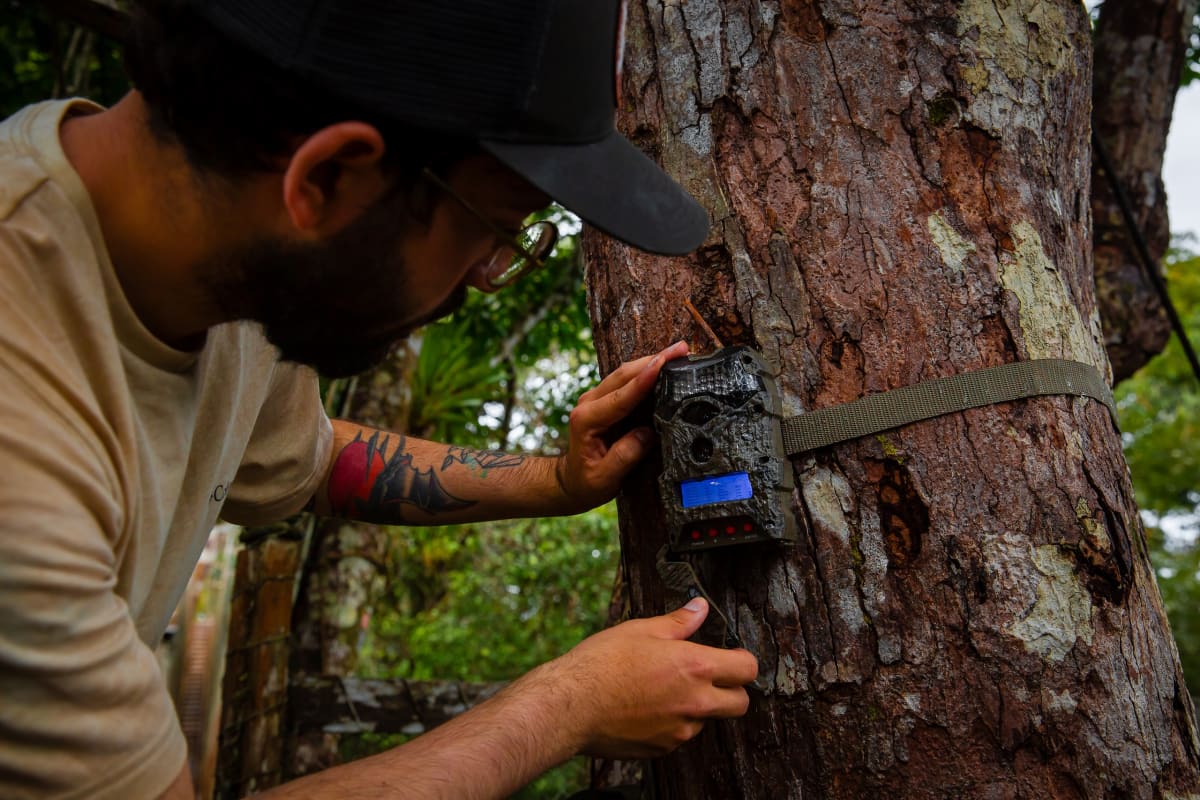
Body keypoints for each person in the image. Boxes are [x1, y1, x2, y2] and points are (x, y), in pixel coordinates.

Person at [0, 0, 759, 798]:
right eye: (496, 228)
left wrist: (556, 481)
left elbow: (308, 460)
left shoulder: (229, 257)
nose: (485, 277)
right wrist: (566, 708)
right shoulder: (24, 458)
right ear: (326, 177)